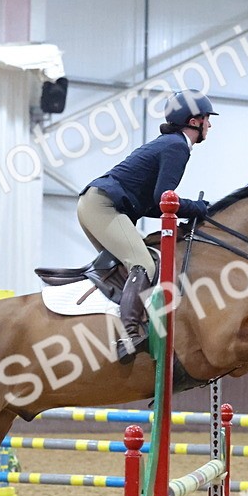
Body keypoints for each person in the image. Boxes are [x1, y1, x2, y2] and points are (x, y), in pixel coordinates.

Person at [78, 89, 217, 363]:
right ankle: (128, 335)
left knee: (132, 267)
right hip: (103, 206)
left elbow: (155, 206)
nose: (210, 124)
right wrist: (197, 207)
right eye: (206, 119)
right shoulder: (177, 147)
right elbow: (164, 197)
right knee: (144, 264)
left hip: (96, 204)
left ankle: (107, 326)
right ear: (193, 121)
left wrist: (186, 211)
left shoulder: (169, 144)